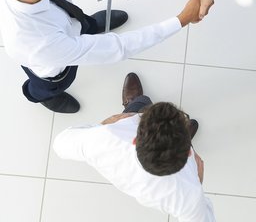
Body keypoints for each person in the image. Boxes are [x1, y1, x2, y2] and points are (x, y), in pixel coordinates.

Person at [0, 0, 201, 113]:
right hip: (53, 66)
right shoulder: (41, 43)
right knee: (46, 86)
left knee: (84, 23)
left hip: (69, 26)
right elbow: (117, 47)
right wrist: (180, 20)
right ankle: (43, 97)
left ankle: (90, 26)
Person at [53, 72, 215, 222]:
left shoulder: (105, 138)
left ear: (135, 140)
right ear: (187, 152)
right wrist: (198, 183)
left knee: (142, 102)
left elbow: (60, 144)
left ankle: (134, 104)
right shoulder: (189, 195)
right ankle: (175, 138)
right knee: (143, 104)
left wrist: (103, 124)